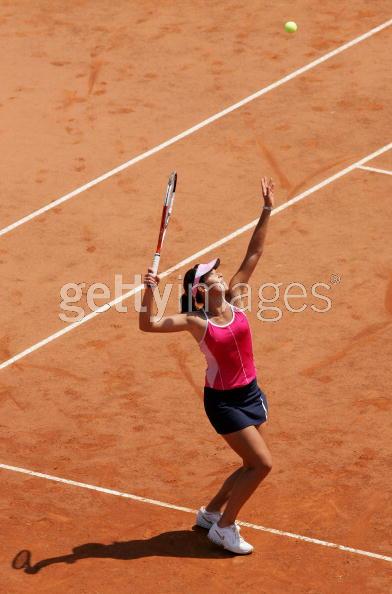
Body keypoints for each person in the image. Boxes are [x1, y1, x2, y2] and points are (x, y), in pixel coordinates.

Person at [139, 177, 275, 554]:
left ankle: (211, 513)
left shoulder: (235, 296)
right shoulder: (196, 322)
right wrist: (148, 291)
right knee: (261, 465)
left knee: (250, 461)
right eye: (212, 273)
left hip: (251, 392)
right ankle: (225, 528)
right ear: (200, 288)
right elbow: (147, 324)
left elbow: (253, 255)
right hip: (225, 402)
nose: (219, 272)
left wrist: (266, 210)